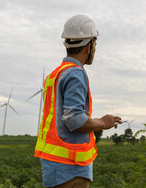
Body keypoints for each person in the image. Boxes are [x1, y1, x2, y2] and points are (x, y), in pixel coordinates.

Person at [34, 14, 122, 188]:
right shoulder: (75, 73)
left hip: (53, 165)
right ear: (89, 46)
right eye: (95, 44)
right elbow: (74, 119)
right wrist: (102, 123)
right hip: (70, 168)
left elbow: (61, 117)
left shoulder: (55, 75)